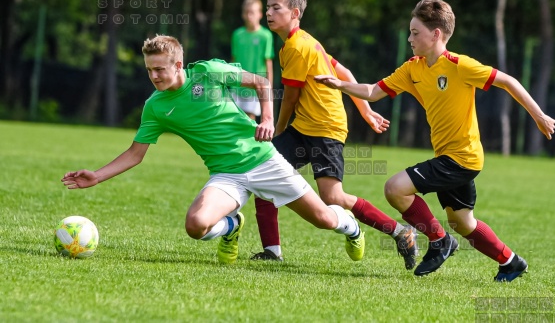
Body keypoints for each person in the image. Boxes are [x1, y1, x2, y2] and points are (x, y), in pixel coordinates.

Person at [61, 35, 366, 264]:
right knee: (195, 225)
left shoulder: (209, 72)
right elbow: (135, 154)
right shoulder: (155, 107)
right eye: (149, 71)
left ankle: (351, 227)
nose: (154, 77)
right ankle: (231, 225)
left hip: (264, 161)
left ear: (178, 65)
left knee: (325, 220)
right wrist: (97, 176)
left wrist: (269, 121)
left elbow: (260, 83)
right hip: (226, 175)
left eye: (159, 70)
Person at [315, 0, 555, 282]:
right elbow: (372, 91)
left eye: (415, 33)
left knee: (395, 188)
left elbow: (509, 81)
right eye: (410, 32)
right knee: (463, 222)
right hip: (451, 156)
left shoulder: (460, 66)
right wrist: (340, 84)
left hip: (462, 158)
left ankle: (440, 241)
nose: (409, 38)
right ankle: (510, 262)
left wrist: (539, 115)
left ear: (436, 34)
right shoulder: (412, 69)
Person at [250, 0, 418, 269]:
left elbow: (289, 98)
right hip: (305, 127)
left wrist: (277, 131)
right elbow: (344, 72)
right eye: (267, 7)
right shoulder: (301, 41)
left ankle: (401, 232)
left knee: (333, 197)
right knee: (262, 174)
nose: (269, 12)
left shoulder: (298, 47)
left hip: (326, 128)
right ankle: (272, 250)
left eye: (276, 7)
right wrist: (366, 111)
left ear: (294, 13)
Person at [230, 0, 274, 120]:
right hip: (237, 85)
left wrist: (268, 87)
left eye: (252, 12)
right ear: (243, 14)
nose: (249, 16)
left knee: (250, 120)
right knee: (233, 119)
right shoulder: (237, 35)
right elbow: (233, 60)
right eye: (247, 12)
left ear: (260, 14)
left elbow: (268, 62)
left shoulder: (266, 36)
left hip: (255, 86)